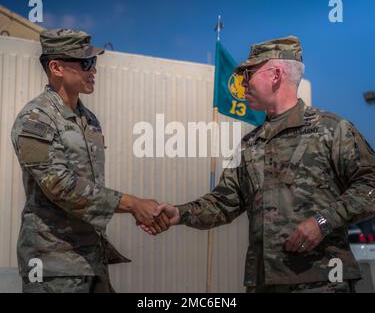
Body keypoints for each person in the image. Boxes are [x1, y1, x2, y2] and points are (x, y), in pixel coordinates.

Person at [144, 36, 375, 293]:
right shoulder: (249, 144)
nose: (242, 83)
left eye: (249, 73)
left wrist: (323, 222)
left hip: (321, 282)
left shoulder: (332, 130)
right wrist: (180, 213)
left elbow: (370, 185)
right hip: (262, 284)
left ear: (275, 75)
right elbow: (223, 203)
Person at [11, 29, 169, 293]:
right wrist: (131, 204)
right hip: (54, 267)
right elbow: (60, 186)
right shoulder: (35, 120)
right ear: (56, 67)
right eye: (85, 63)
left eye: (94, 62)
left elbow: (90, 187)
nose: (93, 70)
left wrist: (136, 209)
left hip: (92, 260)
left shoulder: (90, 120)